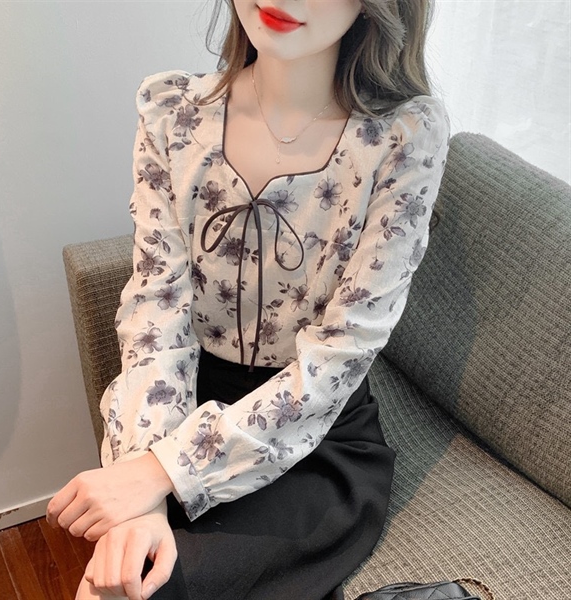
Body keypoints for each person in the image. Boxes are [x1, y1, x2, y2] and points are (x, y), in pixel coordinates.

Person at [47, 1, 450, 598]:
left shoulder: (403, 137)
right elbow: (157, 311)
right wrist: (142, 483)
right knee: (118, 581)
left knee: (149, 587)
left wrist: (162, 472)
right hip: (177, 404)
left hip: (315, 432)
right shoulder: (172, 111)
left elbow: (343, 352)